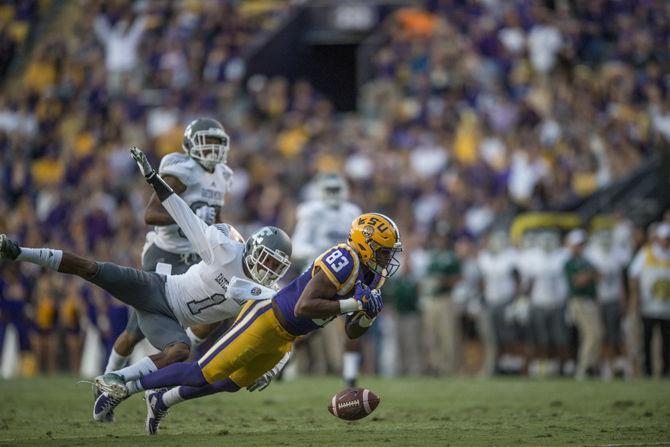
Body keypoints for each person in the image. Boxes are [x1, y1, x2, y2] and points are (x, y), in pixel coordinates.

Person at [101, 159, 400, 435]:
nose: (388, 258)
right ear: (365, 244)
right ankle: (125, 386)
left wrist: (367, 314)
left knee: (229, 383)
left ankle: (161, 401)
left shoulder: (375, 273)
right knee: (199, 372)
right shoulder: (344, 259)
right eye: (384, 251)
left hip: (286, 337)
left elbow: (351, 329)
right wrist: (354, 303)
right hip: (267, 319)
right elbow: (304, 306)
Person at [0, 148, 293, 421]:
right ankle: (19, 252)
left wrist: (274, 368)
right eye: (266, 259)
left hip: (168, 319)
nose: (268, 268)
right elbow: (182, 212)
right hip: (157, 287)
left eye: (275, 266)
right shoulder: (223, 247)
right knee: (91, 268)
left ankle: (118, 382)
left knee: (180, 351)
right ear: (251, 248)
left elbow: (286, 330)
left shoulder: (267, 292)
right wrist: (153, 178)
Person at [101, 117, 234, 422]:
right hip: (165, 255)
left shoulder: (223, 175)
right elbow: (151, 213)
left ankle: (179, 358)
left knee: (221, 306)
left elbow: (215, 217)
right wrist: (188, 216)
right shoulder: (181, 169)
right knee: (135, 331)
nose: (213, 149)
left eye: (217, 143)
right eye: (207, 142)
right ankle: (106, 383)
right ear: (190, 144)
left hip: (196, 258)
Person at [292, 172, 362, 385]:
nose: (333, 194)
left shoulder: (352, 212)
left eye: (336, 190)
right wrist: (320, 253)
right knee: (304, 328)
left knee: (355, 319)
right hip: (320, 275)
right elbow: (297, 245)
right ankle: (287, 365)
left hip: (348, 275)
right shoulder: (311, 212)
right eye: (329, 190)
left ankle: (350, 374)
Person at [628, 222, 670, 377]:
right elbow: (633, 275)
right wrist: (635, 297)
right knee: (647, 340)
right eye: (665, 238)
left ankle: (665, 370)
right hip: (649, 305)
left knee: (666, 341)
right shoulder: (646, 253)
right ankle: (648, 370)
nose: (666, 241)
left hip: (667, 307)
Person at [564, 229, 602, 380]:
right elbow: (577, 282)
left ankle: (591, 367)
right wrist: (589, 275)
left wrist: (588, 276)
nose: (580, 247)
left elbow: (599, 276)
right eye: (578, 244)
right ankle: (583, 368)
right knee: (591, 335)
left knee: (596, 334)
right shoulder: (570, 263)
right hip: (578, 301)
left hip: (590, 300)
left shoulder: (586, 261)